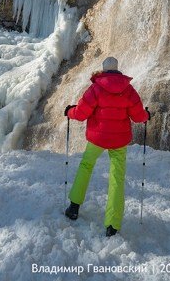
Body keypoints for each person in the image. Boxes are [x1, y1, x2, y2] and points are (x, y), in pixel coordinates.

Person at [64, 56, 150, 237]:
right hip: (119, 141)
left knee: (86, 166)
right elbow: (138, 116)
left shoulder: (95, 88)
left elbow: (80, 113)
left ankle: (74, 207)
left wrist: (69, 111)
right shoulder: (128, 90)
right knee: (117, 177)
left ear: (103, 70)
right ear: (117, 70)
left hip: (97, 139)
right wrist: (147, 115)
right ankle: (113, 224)